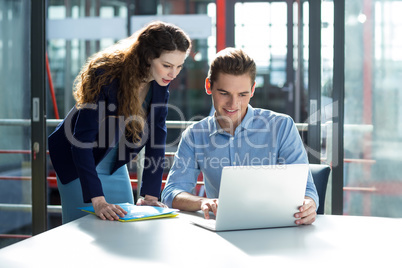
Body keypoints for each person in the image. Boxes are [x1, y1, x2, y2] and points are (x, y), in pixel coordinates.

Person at [48, 21, 191, 223]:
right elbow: (81, 141)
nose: (173, 74)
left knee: (125, 224)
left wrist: (150, 195)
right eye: (167, 65)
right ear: (148, 57)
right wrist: (97, 200)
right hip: (78, 160)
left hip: (114, 161)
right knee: (85, 230)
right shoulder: (104, 75)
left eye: (179, 66)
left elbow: (157, 137)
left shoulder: (159, 83)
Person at [161, 47, 318, 225]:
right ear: (208, 86)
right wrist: (204, 202)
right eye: (224, 93)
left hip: (277, 228)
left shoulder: (282, 126)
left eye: (242, 94)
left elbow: (307, 189)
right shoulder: (195, 136)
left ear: (252, 90)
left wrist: (309, 205)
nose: (233, 104)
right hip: (223, 231)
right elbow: (172, 192)